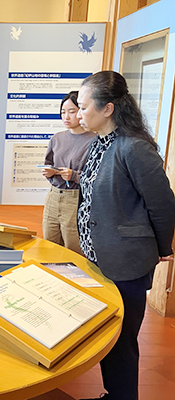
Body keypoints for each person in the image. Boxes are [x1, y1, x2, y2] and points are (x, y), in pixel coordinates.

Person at [76, 71, 175, 400]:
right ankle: (112, 393)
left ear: (107, 109)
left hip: (127, 262)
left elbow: (162, 205)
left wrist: (163, 248)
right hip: (99, 259)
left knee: (121, 340)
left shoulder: (134, 148)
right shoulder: (98, 144)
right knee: (109, 337)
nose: (78, 114)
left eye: (83, 107)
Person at [42, 91, 96, 254]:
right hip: (53, 196)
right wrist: (50, 172)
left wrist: (73, 175)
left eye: (71, 111)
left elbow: (97, 177)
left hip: (76, 198)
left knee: (74, 250)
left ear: (81, 111)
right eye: (63, 112)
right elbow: (48, 163)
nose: (66, 116)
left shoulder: (94, 140)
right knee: (49, 247)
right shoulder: (57, 138)